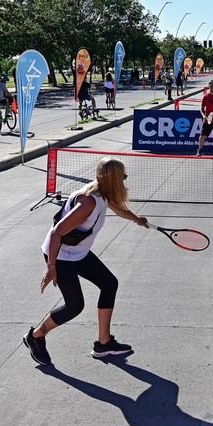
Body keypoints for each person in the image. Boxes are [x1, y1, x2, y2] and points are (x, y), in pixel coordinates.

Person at [23, 157, 150, 366]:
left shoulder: (104, 194)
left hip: (78, 253)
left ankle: (104, 343)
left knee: (109, 283)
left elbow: (118, 208)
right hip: (61, 255)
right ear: (112, 179)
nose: (125, 181)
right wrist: (51, 268)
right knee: (74, 306)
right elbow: (56, 233)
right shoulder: (88, 202)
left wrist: (137, 219)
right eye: (123, 177)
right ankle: (35, 337)